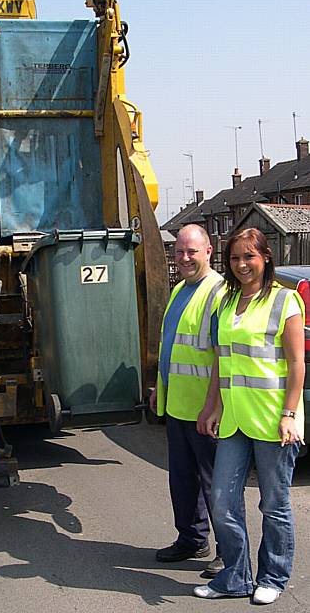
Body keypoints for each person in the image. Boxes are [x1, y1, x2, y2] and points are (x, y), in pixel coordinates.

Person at [194, 227, 305, 605]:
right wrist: (213, 407)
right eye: (236, 257)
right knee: (222, 502)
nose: (242, 264)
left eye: (249, 257)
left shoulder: (285, 301)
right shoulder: (226, 303)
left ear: (265, 257)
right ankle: (235, 577)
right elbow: (221, 362)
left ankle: (273, 576)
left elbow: (296, 363)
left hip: (275, 422)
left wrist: (290, 414)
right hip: (235, 421)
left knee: (274, 504)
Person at [150, 224, 224, 577]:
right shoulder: (180, 289)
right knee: (182, 480)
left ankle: (228, 551)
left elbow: (223, 356)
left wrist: (214, 406)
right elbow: (170, 346)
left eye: (192, 251)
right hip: (177, 406)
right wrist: (157, 389)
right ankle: (192, 539)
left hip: (205, 411)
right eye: (180, 252)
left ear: (208, 251)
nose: (184, 258)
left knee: (216, 484)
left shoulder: (218, 292)